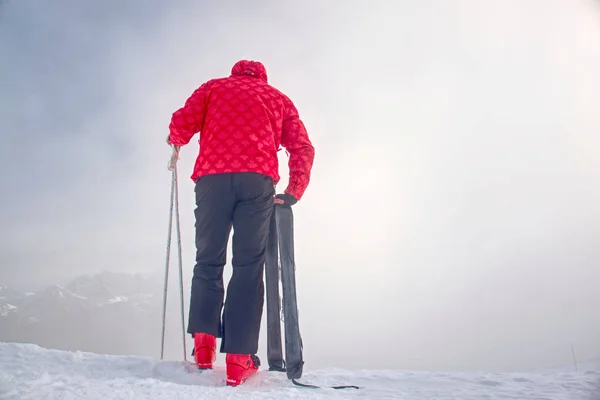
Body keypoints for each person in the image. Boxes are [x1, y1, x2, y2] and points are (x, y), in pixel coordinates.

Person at [166, 60, 315, 386]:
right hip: (256, 180)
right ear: (262, 77)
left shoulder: (212, 89)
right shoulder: (278, 99)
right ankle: (238, 358)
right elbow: (301, 147)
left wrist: (176, 140)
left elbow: (181, 122)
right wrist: (293, 191)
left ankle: (204, 347)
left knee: (208, 259)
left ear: (235, 74)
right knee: (248, 264)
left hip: (211, 179)